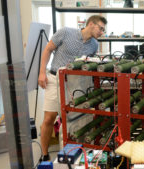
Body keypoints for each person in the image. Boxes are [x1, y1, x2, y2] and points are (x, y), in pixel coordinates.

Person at [38, 15, 107, 161]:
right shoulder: (65, 32)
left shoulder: (94, 44)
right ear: (90, 24)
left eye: (103, 30)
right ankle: (44, 154)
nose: (102, 32)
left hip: (74, 84)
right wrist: (42, 72)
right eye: (100, 28)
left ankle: (74, 151)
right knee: (49, 118)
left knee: (74, 117)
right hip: (54, 78)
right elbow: (48, 49)